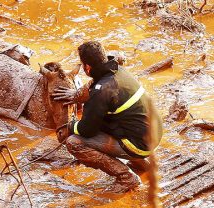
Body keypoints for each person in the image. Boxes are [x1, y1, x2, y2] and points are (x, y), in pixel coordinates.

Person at [53, 41, 163, 193]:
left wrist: (71, 125)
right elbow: (93, 85)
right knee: (116, 119)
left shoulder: (101, 91)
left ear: (87, 67)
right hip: (153, 135)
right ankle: (143, 164)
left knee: (74, 142)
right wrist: (76, 95)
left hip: (138, 144)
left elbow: (87, 130)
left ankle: (126, 177)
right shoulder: (118, 71)